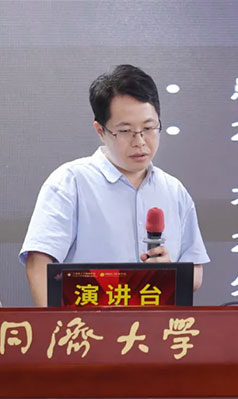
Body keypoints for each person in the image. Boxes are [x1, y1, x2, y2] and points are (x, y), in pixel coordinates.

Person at [19, 64, 210, 306]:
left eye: (149, 128)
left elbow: (195, 273)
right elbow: (39, 263)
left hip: (157, 327)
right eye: (125, 131)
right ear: (100, 130)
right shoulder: (71, 182)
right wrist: (55, 324)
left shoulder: (174, 191)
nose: (140, 141)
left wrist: (171, 272)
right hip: (87, 326)